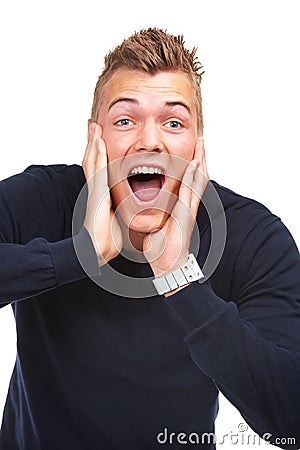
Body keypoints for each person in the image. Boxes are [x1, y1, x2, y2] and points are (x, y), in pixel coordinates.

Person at [0, 27, 299, 450]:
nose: (149, 141)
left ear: (196, 145)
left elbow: (292, 416)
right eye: (125, 120)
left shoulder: (253, 237)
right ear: (95, 138)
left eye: (173, 122)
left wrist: (180, 279)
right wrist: (80, 253)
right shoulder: (43, 200)